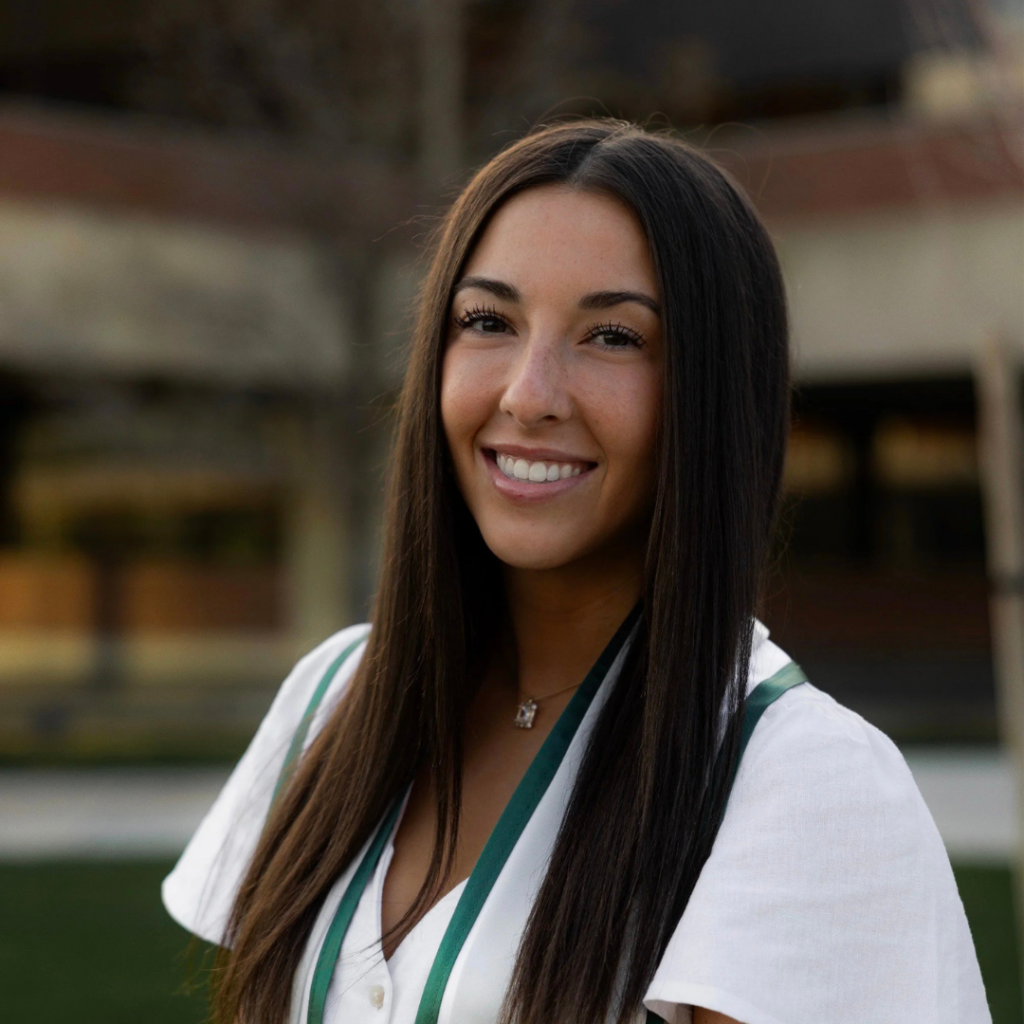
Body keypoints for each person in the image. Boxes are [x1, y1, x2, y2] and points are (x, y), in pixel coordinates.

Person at [162, 120, 990, 1024]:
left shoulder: (803, 781)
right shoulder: (334, 697)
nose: (527, 393)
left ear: (710, 392)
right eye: (488, 322)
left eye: (612, 337)